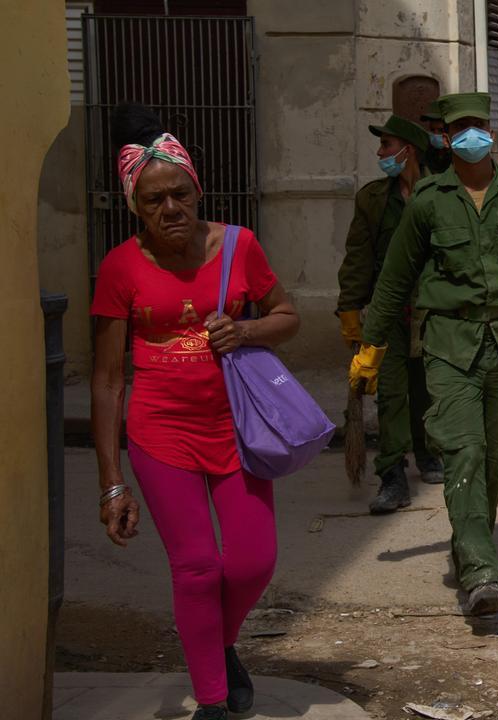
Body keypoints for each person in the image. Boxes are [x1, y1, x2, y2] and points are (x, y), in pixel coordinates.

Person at [92, 104, 300, 720]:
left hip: (237, 427)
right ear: (135, 205)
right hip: (161, 433)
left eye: (179, 194)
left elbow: (288, 317)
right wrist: (111, 484)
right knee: (196, 566)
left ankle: (219, 642)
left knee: (255, 560)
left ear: (196, 188)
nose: (170, 210)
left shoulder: (239, 246)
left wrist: (248, 330)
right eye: (153, 201)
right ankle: (211, 698)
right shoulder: (120, 268)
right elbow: (106, 383)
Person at [348, 92, 498, 616]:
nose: (470, 134)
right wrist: (370, 344)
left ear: (492, 129)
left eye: (479, 124)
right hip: (447, 344)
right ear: (444, 136)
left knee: (491, 459)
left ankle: (470, 542)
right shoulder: (428, 200)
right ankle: (480, 570)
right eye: (459, 127)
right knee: (463, 453)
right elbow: (395, 279)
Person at [338, 113, 444, 513]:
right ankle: (393, 476)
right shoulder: (372, 199)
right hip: (389, 310)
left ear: (408, 150)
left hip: (434, 308)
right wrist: (350, 308)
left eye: (386, 145)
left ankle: (429, 453)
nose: (380, 153)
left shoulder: (440, 194)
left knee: (429, 388)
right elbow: (358, 258)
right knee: (392, 393)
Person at [419, 101, 453, 175]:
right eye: (432, 130)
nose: (435, 134)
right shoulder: (426, 155)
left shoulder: (457, 157)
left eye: (441, 130)